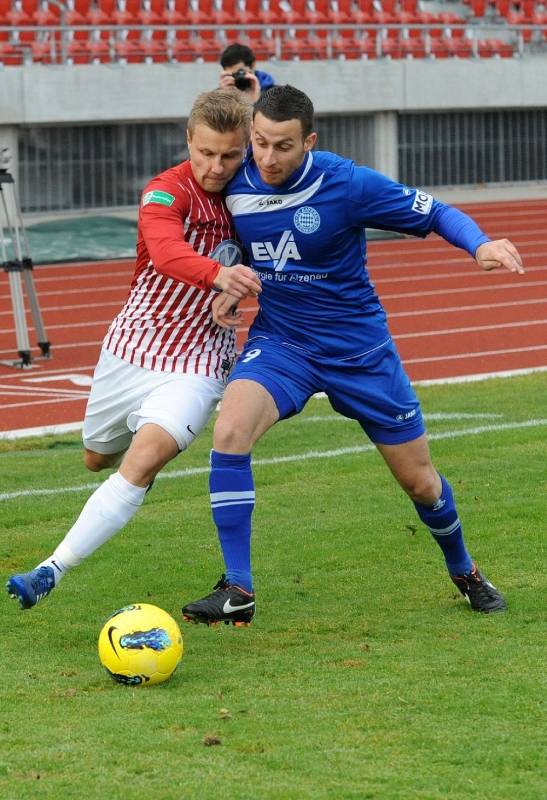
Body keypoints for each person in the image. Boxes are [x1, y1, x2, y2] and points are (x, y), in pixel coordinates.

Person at [181, 84, 525, 627]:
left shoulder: (347, 184)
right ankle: (238, 588)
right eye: (261, 143)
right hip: (283, 343)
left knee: (422, 483)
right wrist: (229, 272)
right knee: (230, 431)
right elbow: (235, 237)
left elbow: (434, 211)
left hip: (359, 351)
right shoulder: (238, 176)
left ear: (309, 142)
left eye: (283, 147)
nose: (268, 158)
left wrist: (479, 243)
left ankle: (464, 570)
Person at [6, 89, 261, 610]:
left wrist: (231, 295)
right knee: (96, 458)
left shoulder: (253, 196)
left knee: (143, 461)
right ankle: (136, 442)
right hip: (131, 348)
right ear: (188, 140)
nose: (216, 167)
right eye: (205, 152)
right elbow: (167, 252)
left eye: (229, 155)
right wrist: (219, 276)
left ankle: (49, 570)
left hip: (198, 361)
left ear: (245, 150)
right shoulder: (165, 192)